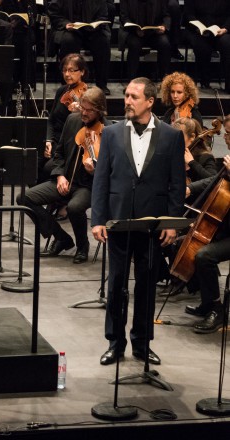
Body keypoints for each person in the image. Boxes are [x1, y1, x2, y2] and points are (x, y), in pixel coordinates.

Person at [92, 77, 186, 366]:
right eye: (127, 96)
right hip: (119, 222)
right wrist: (98, 219)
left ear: (150, 101)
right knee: (116, 283)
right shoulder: (111, 133)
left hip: (152, 225)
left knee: (146, 284)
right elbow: (102, 179)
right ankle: (114, 343)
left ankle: (142, 344)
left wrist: (171, 222)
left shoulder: (171, 136)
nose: (127, 101)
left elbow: (176, 183)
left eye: (134, 96)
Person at [19, 87, 107, 265]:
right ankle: (61, 237)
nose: (83, 113)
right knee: (24, 198)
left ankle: (82, 246)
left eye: (88, 110)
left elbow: (110, 169)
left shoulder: (109, 130)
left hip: (87, 186)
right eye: (82, 108)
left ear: (99, 110)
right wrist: (59, 176)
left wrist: (94, 170)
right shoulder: (73, 120)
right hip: (65, 180)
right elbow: (59, 154)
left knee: (74, 207)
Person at [182, 117, 230, 333]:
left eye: (228, 134)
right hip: (224, 226)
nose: (226, 138)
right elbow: (213, 184)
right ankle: (208, 302)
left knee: (204, 255)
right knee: (185, 243)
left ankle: (217, 311)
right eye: (226, 133)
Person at [48, 0, 111, 95]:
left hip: (92, 30)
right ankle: (69, 83)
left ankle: (101, 84)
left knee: (103, 42)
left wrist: (96, 24)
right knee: (68, 41)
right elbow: (54, 13)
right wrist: (65, 23)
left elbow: (103, 15)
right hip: (71, 29)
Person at [44, 54, 88, 180]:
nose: (67, 74)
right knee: (30, 163)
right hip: (55, 140)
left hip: (67, 145)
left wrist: (78, 113)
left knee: (47, 168)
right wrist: (48, 140)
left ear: (82, 72)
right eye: (64, 70)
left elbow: (85, 128)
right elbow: (51, 120)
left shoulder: (88, 96)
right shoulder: (62, 91)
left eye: (71, 70)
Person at [183, 0, 230, 92]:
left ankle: (228, 85)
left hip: (221, 30)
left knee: (227, 43)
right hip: (197, 31)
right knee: (202, 46)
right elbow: (188, 15)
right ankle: (205, 82)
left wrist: (226, 28)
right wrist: (198, 29)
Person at [118, 0, 170, 81]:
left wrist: (164, 26)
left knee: (165, 43)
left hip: (154, 32)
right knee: (134, 44)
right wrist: (135, 29)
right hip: (134, 32)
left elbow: (166, 15)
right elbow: (124, 17)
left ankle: (165, 80)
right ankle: (131, 80)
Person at [171, 117, 217, 183]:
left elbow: (214, 180)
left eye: (179, 137)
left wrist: (192, 163)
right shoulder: (174, 155)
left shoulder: (205, 157)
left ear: (192, 137)